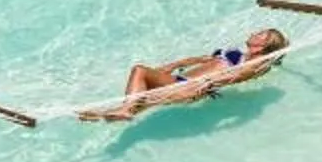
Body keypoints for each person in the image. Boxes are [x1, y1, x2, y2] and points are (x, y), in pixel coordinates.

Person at [77, 27, 289, 122]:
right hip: (180, 81)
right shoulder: (236, 53)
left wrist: (210, 83)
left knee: (139, 71)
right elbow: (198, 61)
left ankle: (124, 110)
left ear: (263, 46)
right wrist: (177, 64)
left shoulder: (252, 65)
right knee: (134, 102)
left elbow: (242, 74)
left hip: (190, 87)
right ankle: (103, 115)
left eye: (261, 34)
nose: (254, 32)